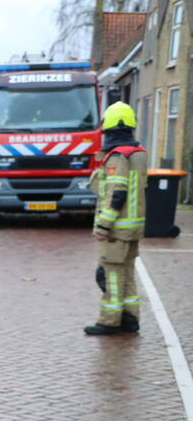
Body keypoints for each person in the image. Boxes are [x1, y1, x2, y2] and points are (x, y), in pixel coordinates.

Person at [84, 101, 147, 336]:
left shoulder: (117, 157)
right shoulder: (138, 155)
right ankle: (130, 319)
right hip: (133, 227)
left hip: (116, 229)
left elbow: (116, 193)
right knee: (127, 274)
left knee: (109, 274)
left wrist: (103, 225)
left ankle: (109, 321)